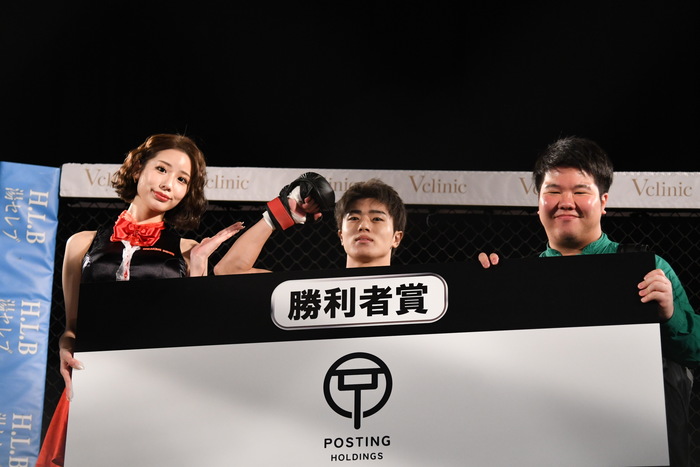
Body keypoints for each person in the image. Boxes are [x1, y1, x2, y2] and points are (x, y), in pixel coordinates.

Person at [479, 136, 699, 466]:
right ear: (538, 202)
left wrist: (670, 314)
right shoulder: (515, 279)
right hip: (548, 443)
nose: (566, 202)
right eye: (553, 190)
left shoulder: (648, 268)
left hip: (636, 444)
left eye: (580, 191)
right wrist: (480, 292)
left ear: (603, 201)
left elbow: (696, 350)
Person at [37, 133, 244, 467]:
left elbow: (196, 338)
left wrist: (198, 269)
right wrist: (65, 347)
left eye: (182, 179)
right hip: (93, 383)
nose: (168, 184)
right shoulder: (81, 244)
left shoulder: (190, 250)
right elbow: (72, 327)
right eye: (161, 169)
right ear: (137, 169)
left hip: (157, 390)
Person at [213, 177, 406, 274]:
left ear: (396, 238)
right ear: (341, 235)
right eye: (354, 218)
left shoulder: (416, 291)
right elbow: (228, 271)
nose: (363, 225)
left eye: (377, 219)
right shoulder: (314, 291)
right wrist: (276, 217)